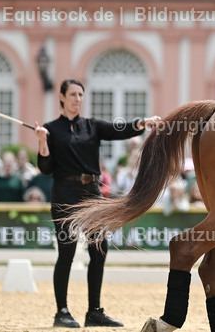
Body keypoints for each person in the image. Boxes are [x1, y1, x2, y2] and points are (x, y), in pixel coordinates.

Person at [34, 78, 161, 328]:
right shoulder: (51, 130)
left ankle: (94, 312)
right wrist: (42, 142)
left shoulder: (92, 126)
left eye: (80, 95)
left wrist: (142, 123)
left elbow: (118, 129)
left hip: (91, 193)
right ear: (62, 97)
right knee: (67, 253)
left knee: (99, 250)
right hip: (65, 194)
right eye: (73, 94)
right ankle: (62, 312)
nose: (77, 99)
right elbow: (45, 168)